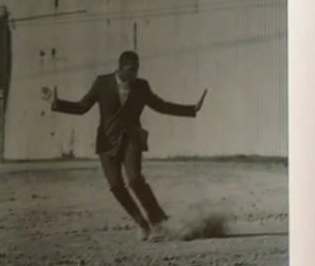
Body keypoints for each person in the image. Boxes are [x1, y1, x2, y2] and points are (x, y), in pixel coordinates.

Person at [48, 50, 206, 239]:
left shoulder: (141, 86)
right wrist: (58, 104)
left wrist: (191, 109)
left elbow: (161, 106)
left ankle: (159, 221)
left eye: (137, 69)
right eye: (132, 69)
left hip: (132, 139)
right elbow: (82, 107)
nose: (135, 74)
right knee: (115, 186)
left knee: (135, 179)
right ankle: (142, 224)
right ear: (121, 68)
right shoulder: (102, 83)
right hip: (107, 142)